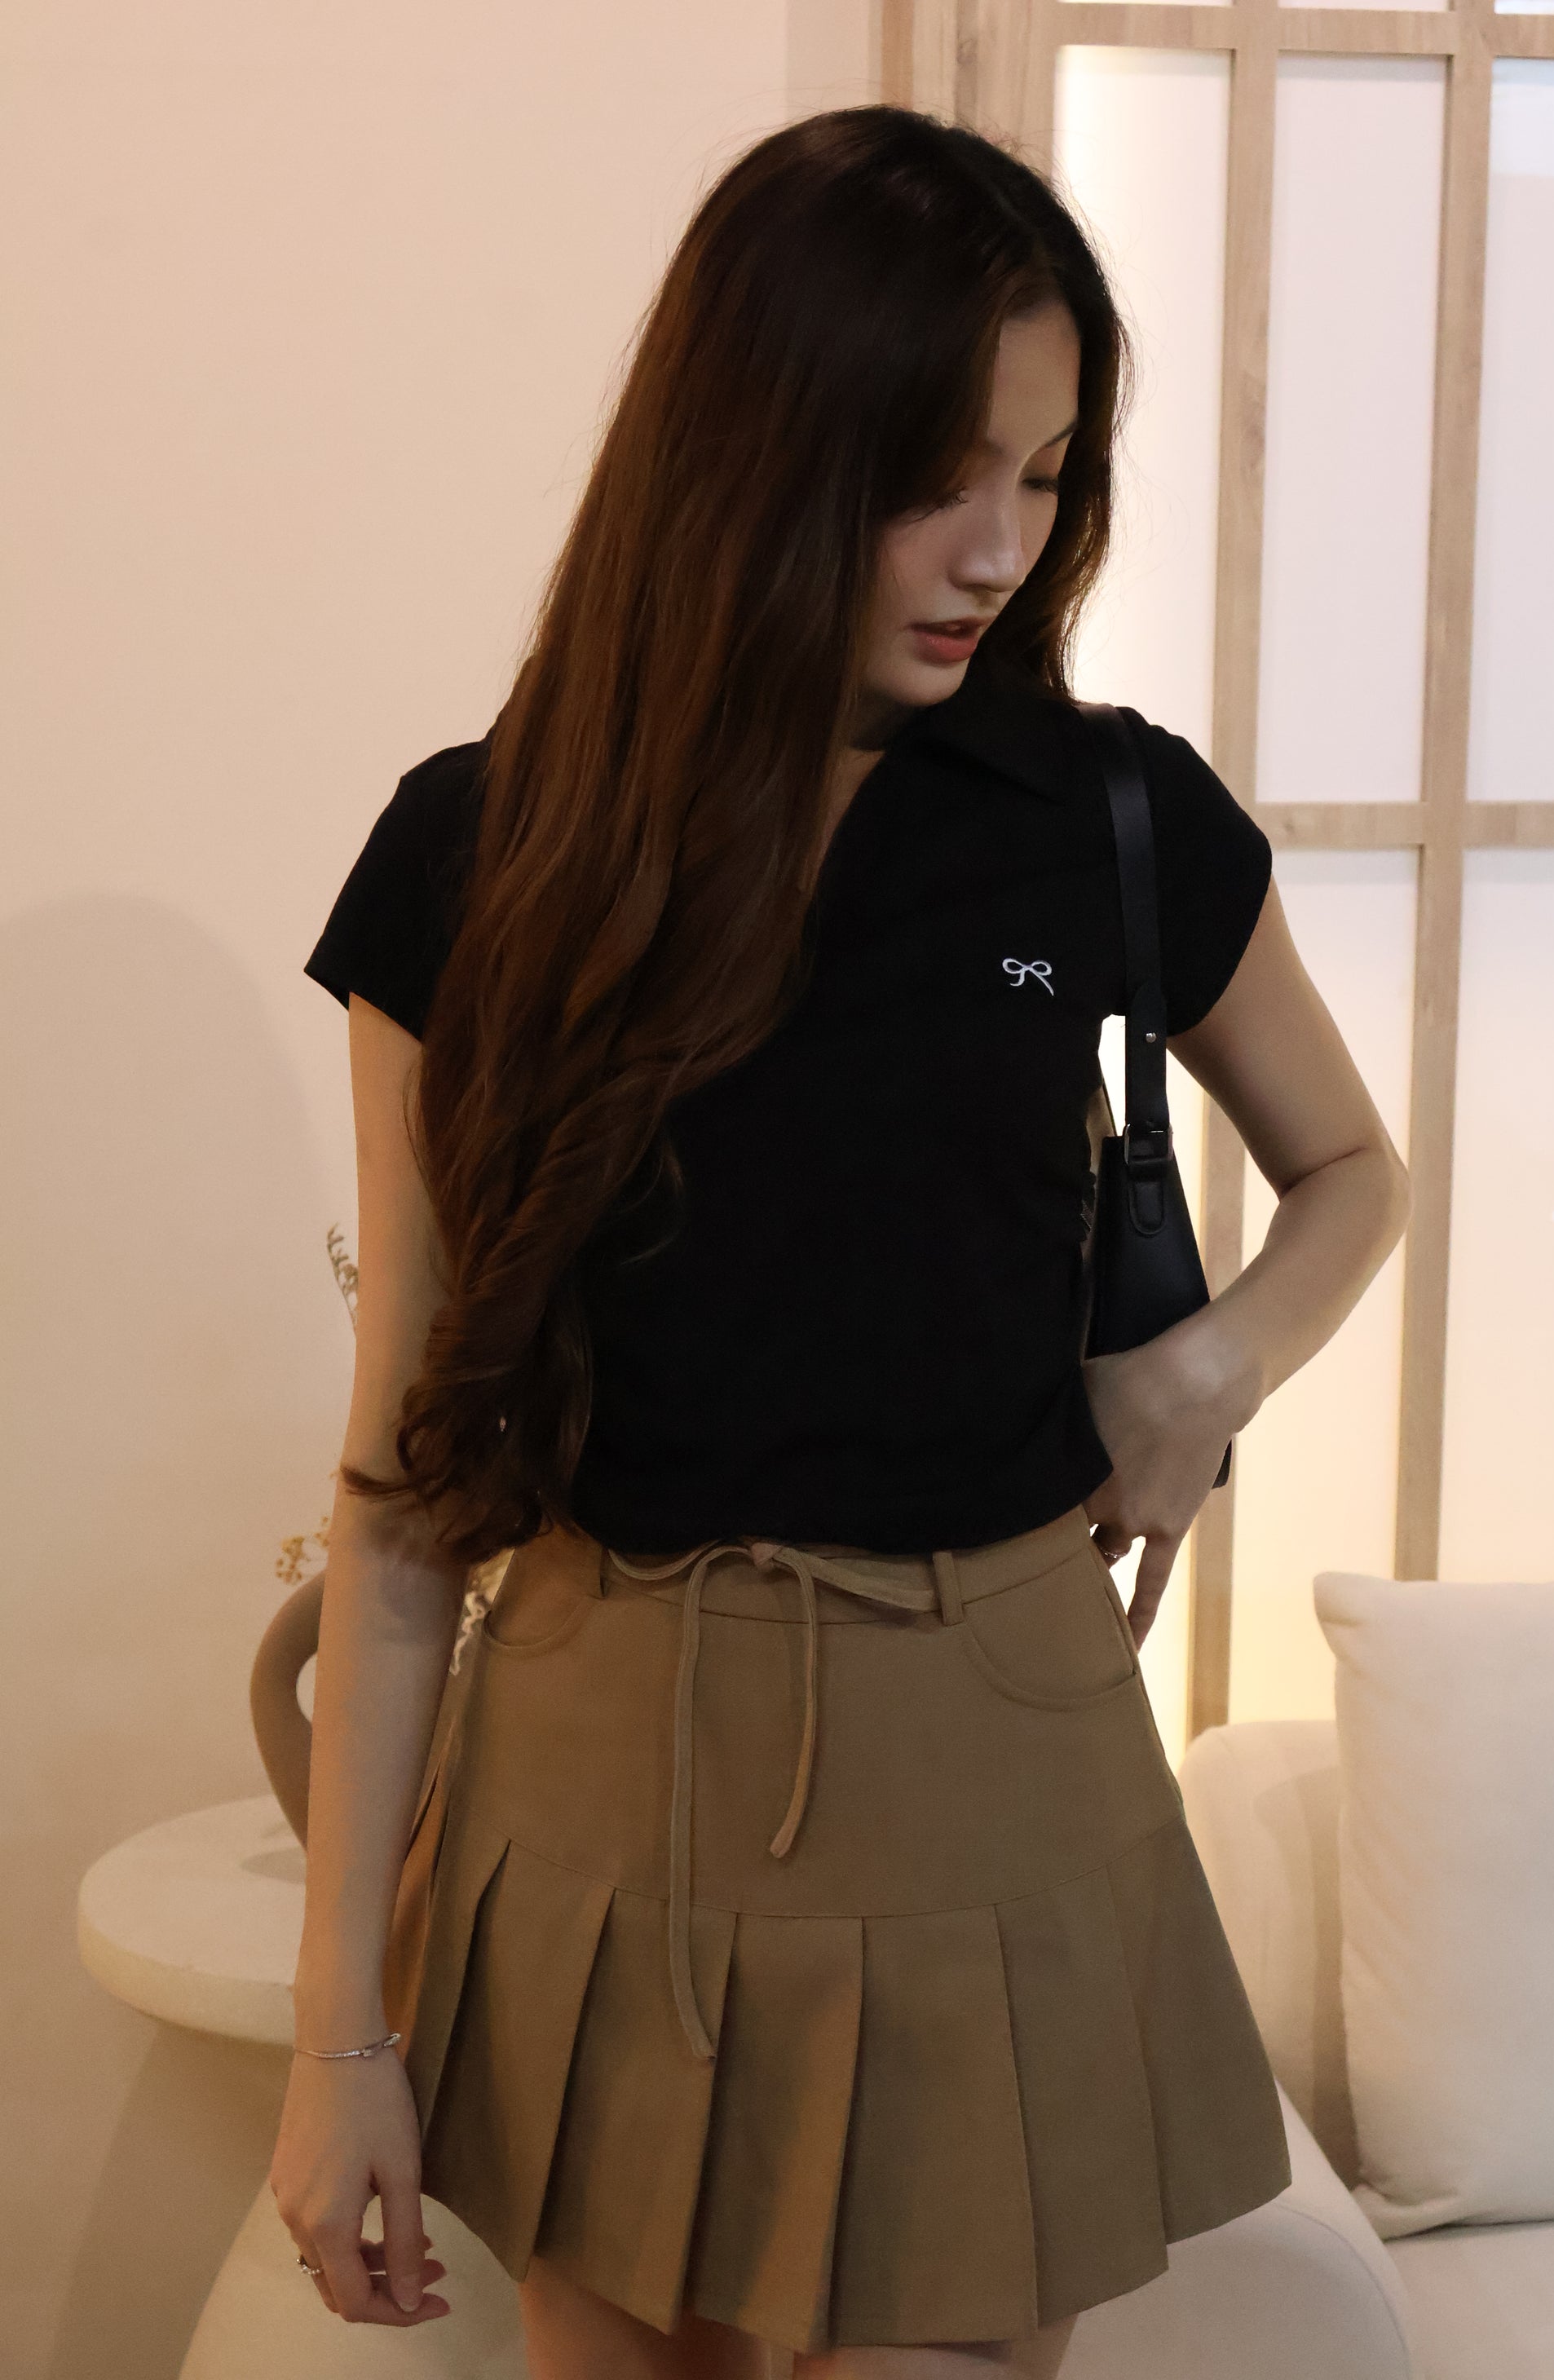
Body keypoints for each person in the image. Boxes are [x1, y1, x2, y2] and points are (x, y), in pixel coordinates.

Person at [271, 105, 1409, 2380]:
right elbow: (404, 1479)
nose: (998, 549)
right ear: (748, 452)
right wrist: (340, 2041)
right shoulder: (482, 854)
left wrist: (1202, 1374)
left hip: (985, 1742)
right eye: (929, 476)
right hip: (590, 1760)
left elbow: (1350, 1174)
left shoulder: (1102, 818)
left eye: (1048, 477)